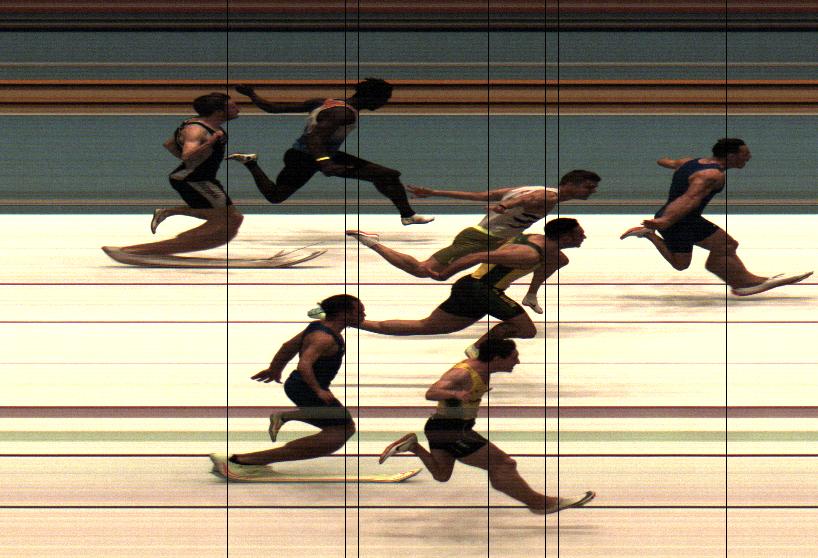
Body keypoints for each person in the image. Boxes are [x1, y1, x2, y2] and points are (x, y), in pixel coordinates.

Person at [379, 339, 595, 515]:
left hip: (442, 427)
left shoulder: (482, 365)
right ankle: (541, 503)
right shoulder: (463, 373)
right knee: (503, 464)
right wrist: (456, 394)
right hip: (451, 431)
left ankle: (413, 446)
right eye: (513, 357)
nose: (517, 361)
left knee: (442, 474)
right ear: (497, 359)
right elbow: (431, 392)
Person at [346, 170, 600, 313]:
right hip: (481, 239)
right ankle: (372, 242)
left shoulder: (533, 188)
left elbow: (481, 195)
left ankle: (531, 294)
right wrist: (506, 205)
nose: (592, 191)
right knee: (424, 271)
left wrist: (436, 192)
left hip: (504, 239)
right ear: (570, 184)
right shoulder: (548, 197)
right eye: (588, 187)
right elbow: (524, 201)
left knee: (557, 257)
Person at [355, 218, 585, 357]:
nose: (584, 235)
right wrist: (444, 274)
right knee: (526, 330)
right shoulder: (527, 254)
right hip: (481, 289)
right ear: (565, 236)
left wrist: (532, 292)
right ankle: (477, 351)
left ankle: (356, 322)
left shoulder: (539, 242)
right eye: (579, 233)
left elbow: (555, 261)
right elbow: (476, 256)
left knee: (427, 326)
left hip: (472, 288)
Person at [228, 78, 433, 225]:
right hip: (304, 158)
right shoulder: (343, 114)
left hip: (322, 155)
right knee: (275, 197)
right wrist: (325, 163)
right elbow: (314, 138)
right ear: (372, 98)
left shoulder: (323, 103)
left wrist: (252, 94)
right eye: (385, 99)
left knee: (388, 175)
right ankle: (251, 163)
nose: (385, 103)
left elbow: (273, 108)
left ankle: (407, 215)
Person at [621, 139, 811, 295]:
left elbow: (670, 163)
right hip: (678, 219)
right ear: (731, 156)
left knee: (725, 246)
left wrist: (664, 161)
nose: (749, 157)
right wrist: (665, 221)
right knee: (685, 262)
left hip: (685, 218)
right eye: (745, 154)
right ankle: (649, 234)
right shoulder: (712, 175)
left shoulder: (689, 162)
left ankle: (743, 282)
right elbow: (689, 199)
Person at [210, 294, 364, 478]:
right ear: (343, 314)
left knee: (339, 425)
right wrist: (318, 390)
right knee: (341, 431)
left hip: (298, 385)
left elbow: (288, 346)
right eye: (359, 311)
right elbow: (304, 364)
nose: (364, 315)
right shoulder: (324, 338)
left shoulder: (317, 327)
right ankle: (244, 461)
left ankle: (279, 424)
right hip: (307, 389)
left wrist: (275, 369)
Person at [102, 92, 261, 258]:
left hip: (200, 178)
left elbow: (170, 144)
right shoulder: (197, 130)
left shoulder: (202, 125)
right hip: (194, 180)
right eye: (233, 107)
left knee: (233, 219)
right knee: (226, 220)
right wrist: (209, 143)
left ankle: (168, 216)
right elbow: (187, 155)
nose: (238, 109)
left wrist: (197, 161)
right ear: (219, 112)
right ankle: (147, 249)